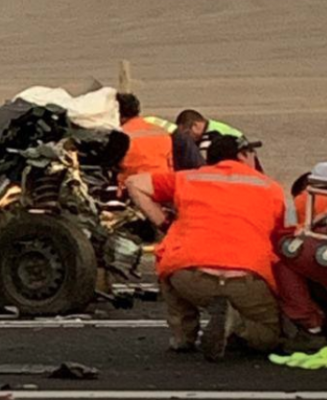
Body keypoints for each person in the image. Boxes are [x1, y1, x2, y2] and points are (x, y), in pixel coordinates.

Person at [126, 135, 286, 361]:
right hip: (247, 278)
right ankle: (235, 330)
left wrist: (164, 222)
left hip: (191, 277)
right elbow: (278, 242)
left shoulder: (188, 178)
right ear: (242, 155)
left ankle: (183, 336)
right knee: (269, 336)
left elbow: (134, 183)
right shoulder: (270, 188)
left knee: (169, 251)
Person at [273, 169, 327, 351]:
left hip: (314, 255)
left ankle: (312, 327)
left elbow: (287, 243)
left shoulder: (301, 201)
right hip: (318, 257)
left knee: (283, 262)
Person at [116, 93, 172, 183]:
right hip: (163, 182)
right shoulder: (160, 131)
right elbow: (170, 163)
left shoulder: (120, 135)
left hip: (134, 185)